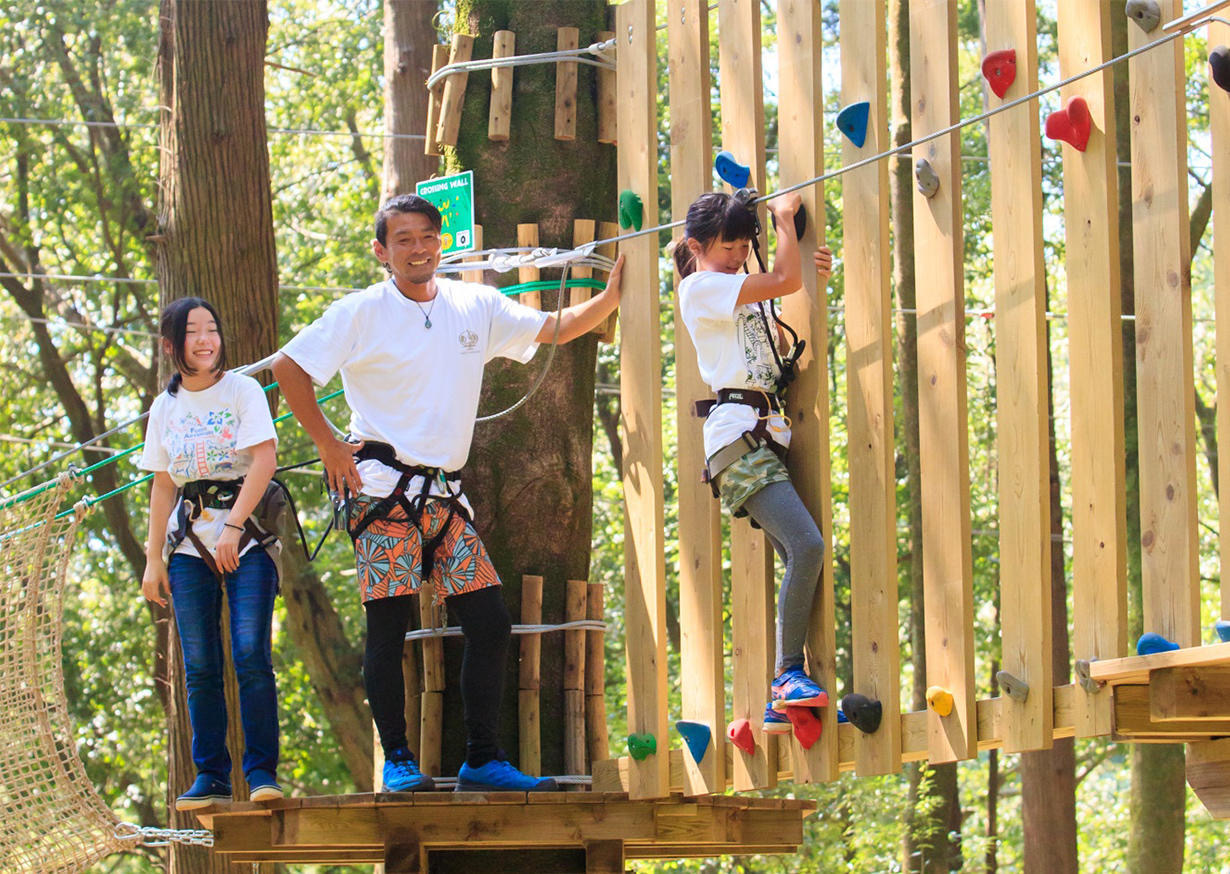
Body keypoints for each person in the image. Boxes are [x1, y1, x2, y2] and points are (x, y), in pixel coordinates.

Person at [271, 193, 623, 793]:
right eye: (403, 239)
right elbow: (288, 367)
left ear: (443, 243)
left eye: (426, 237)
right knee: (389, 624)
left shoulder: (474, 305)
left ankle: (482, 758)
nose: (417, 249)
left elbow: (552, 328)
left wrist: (612, 297)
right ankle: (400, 759)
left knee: (489, 621)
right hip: (382, 489)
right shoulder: (360, 313)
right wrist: (330, 445)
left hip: (442, 495)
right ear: (382, 251)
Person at [675, 189, 834, 735]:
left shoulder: (733, 286)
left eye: (746, 245)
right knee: (808, 545)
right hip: (736, 433)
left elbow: (783, 291)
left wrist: (810, 269)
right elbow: (782, 281)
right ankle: (789, 674)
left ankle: (777, 701)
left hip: (763, 433)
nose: (739, 255)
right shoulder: (700, 287)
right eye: (728, 246)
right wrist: (785, 222)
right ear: (697, 247)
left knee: (799, 553)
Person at [140, 297, 283, 810]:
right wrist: (154, 557)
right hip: (188, 542)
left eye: (212, 329)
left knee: (249, 654)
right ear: (171, 344)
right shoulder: (165, 407)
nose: (205, 339)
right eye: (193, 332)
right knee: (200, 663)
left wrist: (236, 526)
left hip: (246, 532)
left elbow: (264, 459)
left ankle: (262, 773)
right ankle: (211, 777)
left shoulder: (242, 389)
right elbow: (162, 484)